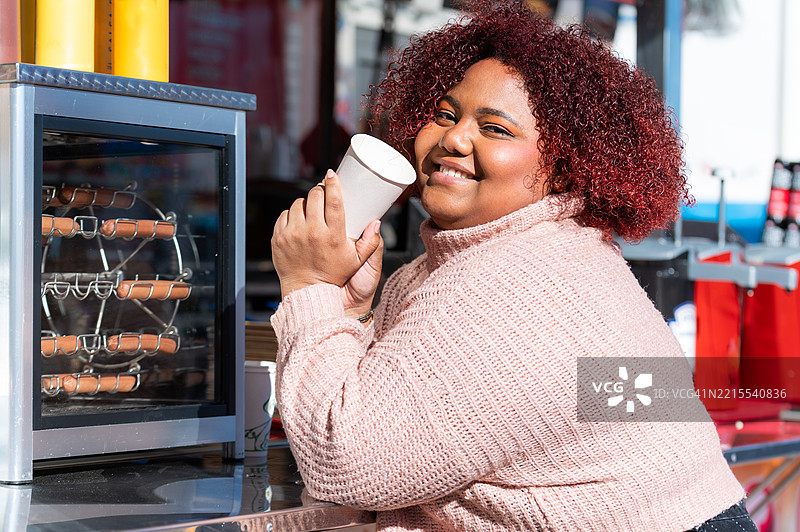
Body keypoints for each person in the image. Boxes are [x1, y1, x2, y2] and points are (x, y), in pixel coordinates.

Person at [269, 1, 755, 530]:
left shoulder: (518, 283)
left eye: (496, 129)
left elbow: (347, 464)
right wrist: (348, 310)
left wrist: (309, 287)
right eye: (446, 115)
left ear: (568, 169)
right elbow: (578, 406)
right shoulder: (563, 256)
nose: (454, 138)